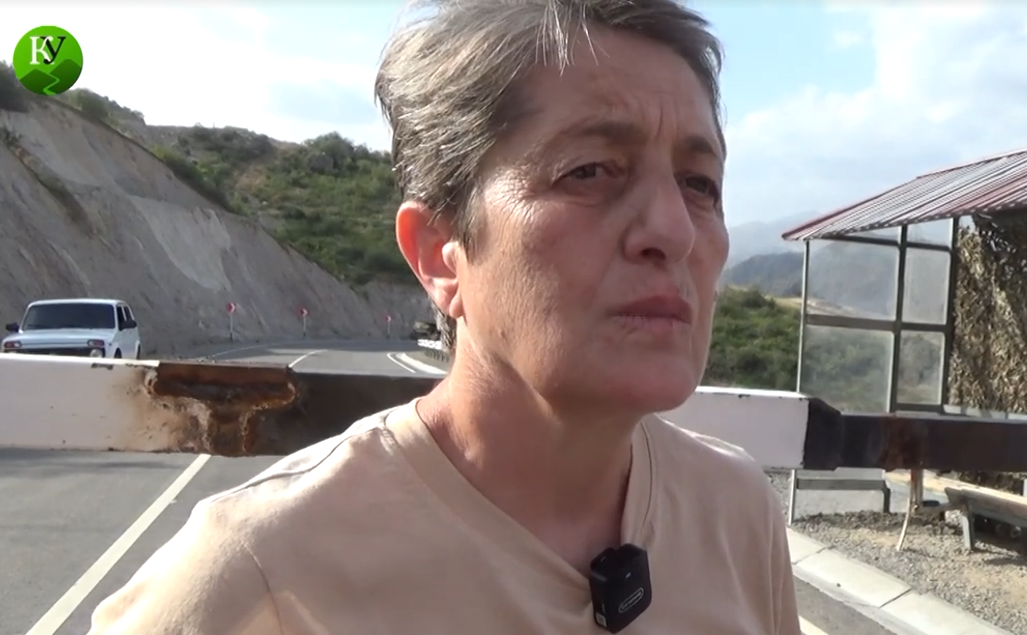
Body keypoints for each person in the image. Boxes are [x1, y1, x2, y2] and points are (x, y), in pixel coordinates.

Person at [87, 0, 801, 633]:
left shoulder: (735, 511)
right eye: (588, 171)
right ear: (439, 254)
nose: (673, 230)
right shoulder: (258, 574)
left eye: (699, 183)